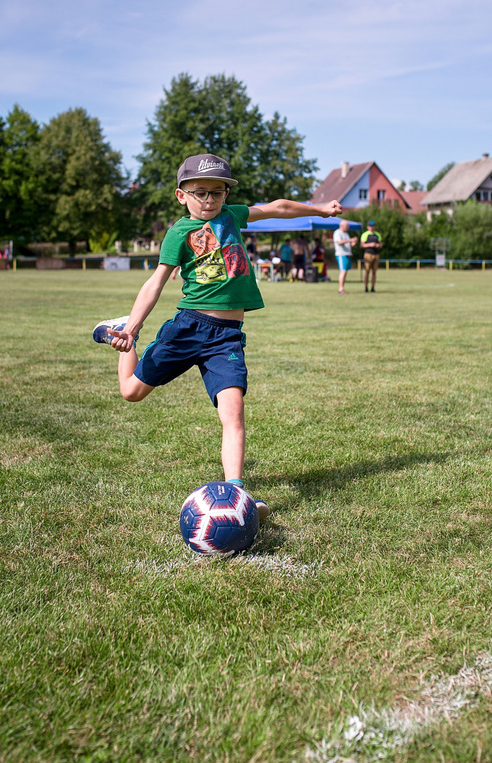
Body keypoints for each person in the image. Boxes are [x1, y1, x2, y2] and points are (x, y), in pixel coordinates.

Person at [92, 154, 342, 521]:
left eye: (217, 192)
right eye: (200, 193)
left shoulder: (233, 216)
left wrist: (319, 208)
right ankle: (125, 327)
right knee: (131, 391)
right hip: (189, 327)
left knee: (234, 411)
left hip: (226, 337)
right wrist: (131, 329)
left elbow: (277, 207)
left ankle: (237, 493)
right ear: (181, 195)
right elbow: (156, 282)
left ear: (225, 194)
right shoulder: (178, 233)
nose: (209, 201)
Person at [333, 220, 357, 294]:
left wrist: (354, 242)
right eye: (347, 226)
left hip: (347, 254)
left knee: (345, 271)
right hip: (341, 254)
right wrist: (350, 239)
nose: (348, 227)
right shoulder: (337, 232)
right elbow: (339, 242)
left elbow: (348, 245)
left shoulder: (346, 233)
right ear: (342, 225)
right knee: (343, 271)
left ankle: (342, 287)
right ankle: (340, 289)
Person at [360, 220, 383, 292]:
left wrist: (378, 245)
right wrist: (370, 245)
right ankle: (366, 287)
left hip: (376, 254)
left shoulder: (377, 234)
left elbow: (381, 244)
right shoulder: (365, 234)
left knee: (374, 272)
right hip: (368, 254)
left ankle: (373, 288)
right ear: (368, 227)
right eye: (370, 226)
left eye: (373, 226)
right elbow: (362, 245)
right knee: (367, 271)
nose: (372, 227)